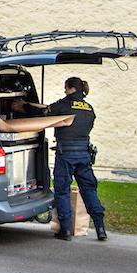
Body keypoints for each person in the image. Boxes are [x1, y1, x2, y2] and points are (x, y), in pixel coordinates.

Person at [47, 77, 106, 242]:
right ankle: (101, 229)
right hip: (84, 154)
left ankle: (65, 230)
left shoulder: (64, 104)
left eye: (65, 88)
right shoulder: (89, 108)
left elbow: (46, 113)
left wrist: (23, 106)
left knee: (63, 189)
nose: (64, 91)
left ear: (71, 88)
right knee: (89, 190)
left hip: (66, 154)